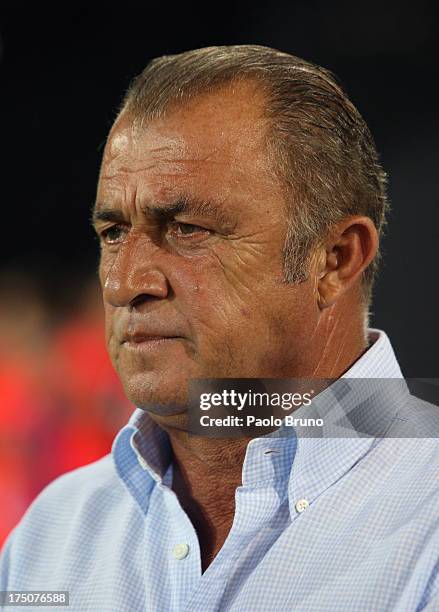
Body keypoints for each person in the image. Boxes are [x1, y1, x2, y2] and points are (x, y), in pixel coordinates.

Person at [1, 45, 438, 611]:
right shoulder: (51, 538)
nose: (124, 282)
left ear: (334, 260)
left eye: (186, 229)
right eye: (112, 232)